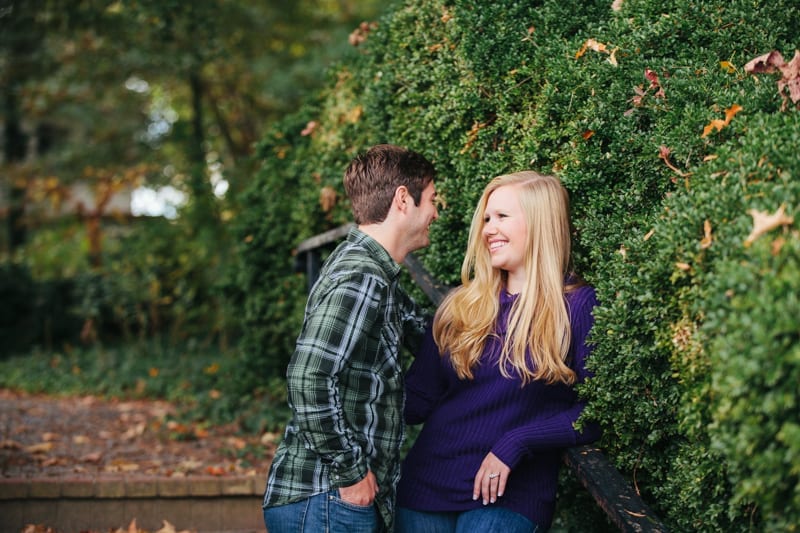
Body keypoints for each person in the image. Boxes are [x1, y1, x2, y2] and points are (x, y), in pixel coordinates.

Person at [396, 171, 601, 532]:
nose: (488, 229)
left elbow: (595, 413)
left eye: (502, 217)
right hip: (425, 486)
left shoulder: (576, 306)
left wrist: (517, 442)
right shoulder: (462, 306)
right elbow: (418, 399)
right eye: (487, 219)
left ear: (540, 223)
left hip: (511, 495)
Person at [262, 144, 439, 533]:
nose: (435, 213)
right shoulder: (362, 276)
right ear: (403, 199)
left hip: (330, 501)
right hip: (329, 498)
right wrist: (352, 472)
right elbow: (308, 378)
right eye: (432, 200)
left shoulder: (375, 272)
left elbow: (427, 331)